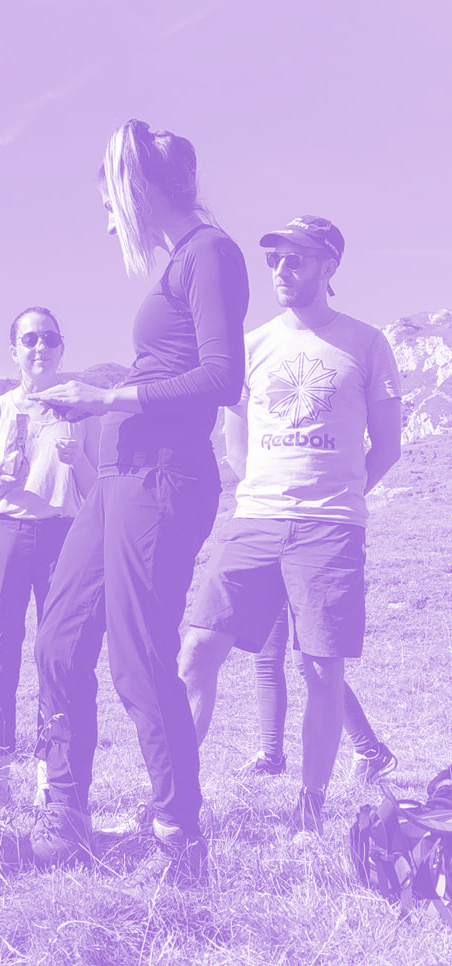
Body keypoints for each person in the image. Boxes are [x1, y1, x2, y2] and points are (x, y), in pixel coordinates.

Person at [25, 119, 249, 883]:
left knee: (139, 659)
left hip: (165, 477)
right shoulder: (176, 265)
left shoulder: (210, 254)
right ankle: (66, 805)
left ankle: (178, 836)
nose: (108, 219)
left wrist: (109, 394)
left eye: (111, 200)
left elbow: (222, 380)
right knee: (57, 638)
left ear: (139, 188)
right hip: (122, 473)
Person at [178, 215, 402, 835]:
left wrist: (336, 495)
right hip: (256, 521)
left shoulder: (366, 342)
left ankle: (310, 808)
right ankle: (177, 795)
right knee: (197, 650)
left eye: (297, 258)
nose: (281, 269)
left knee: (321, 669)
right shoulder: (252, 345)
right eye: (275, 259)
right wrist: (268, 492)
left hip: (330, 527)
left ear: (329, 267)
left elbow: (386, 445)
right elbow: (236, 444)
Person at [0, 306, 98, 803]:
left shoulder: (81, 411)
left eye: (49, 338)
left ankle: (50, 780)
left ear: (62, 348)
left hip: (62, 538)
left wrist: (77, 457)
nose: (39, 347)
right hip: (4, 536)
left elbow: (95, 488)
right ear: (14, 351)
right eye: (29, 339)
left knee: (57, 659)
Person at [247, 603, 396, 780]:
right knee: (266, 658)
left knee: (307, 662)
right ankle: (270, 758)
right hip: (269, 577)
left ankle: (370, 751)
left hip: (303, 580)